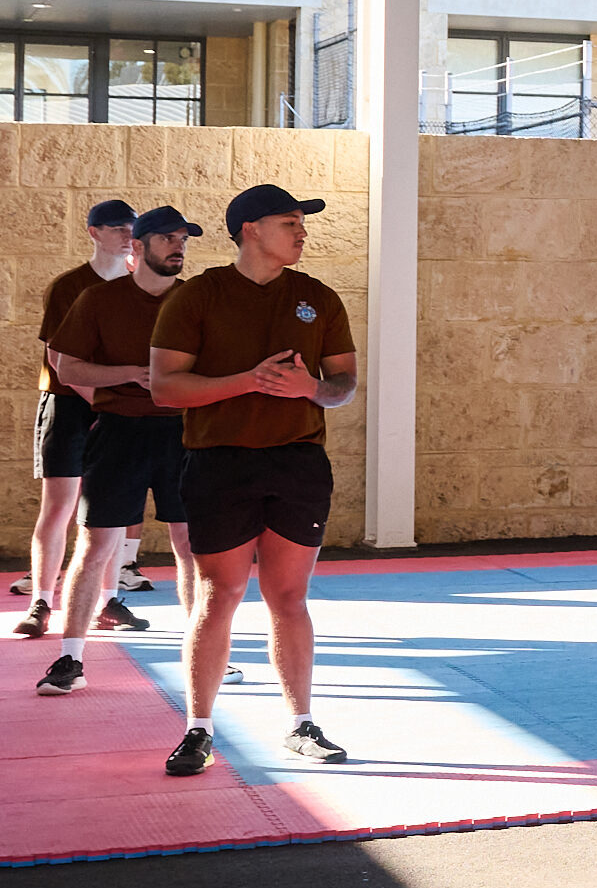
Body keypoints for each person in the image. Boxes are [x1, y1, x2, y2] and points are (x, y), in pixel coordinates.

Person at [148, 185, 357, 777]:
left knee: (289, 598)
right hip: (219, 463)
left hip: (298, 463)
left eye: (301, 222)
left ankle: (300, 724)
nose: (301, 231)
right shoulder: (200, 297)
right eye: (288, 222)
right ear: (249, 230)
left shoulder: (319, 297)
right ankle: (198, 729)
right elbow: (165, 388)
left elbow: (343, 383)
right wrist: (248, 381)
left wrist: (310, 390)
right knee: (219, 596)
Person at [36, 207, 208, 695]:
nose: (178, 247)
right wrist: (132, 373)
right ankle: (70, 658)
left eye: (184, 239)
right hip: (118, 434)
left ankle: (204, 652)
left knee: (192, 547)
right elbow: (69, 369)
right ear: (139, 245)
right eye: (168, 239)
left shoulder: (197, 301)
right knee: (95, 548)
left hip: (184, 435)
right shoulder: (97, 299)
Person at [12, 200, 145, 638]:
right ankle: (42, 602)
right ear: (94, 232)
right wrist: (100, 399)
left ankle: (107, 601)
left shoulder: (136, 285)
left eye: (132, 227)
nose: (127, 234)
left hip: (118, 407)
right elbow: (58, 354)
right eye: (117, 227)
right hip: (69, 403)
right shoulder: (70, 286)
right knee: (60, 506)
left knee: (108, 508)